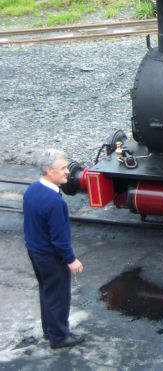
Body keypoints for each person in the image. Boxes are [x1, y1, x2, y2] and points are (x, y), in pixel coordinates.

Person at [23, 149, 85, 349]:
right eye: (63, 168)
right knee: (58, 295)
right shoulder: (55, 202)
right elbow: (59, 238)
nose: (68, 172)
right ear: (49, 170)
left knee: (46, 291)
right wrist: (71, 260)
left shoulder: (32, 189)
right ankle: (59, 336)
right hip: (50, 256)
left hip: (34, 251)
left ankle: (50, 330)